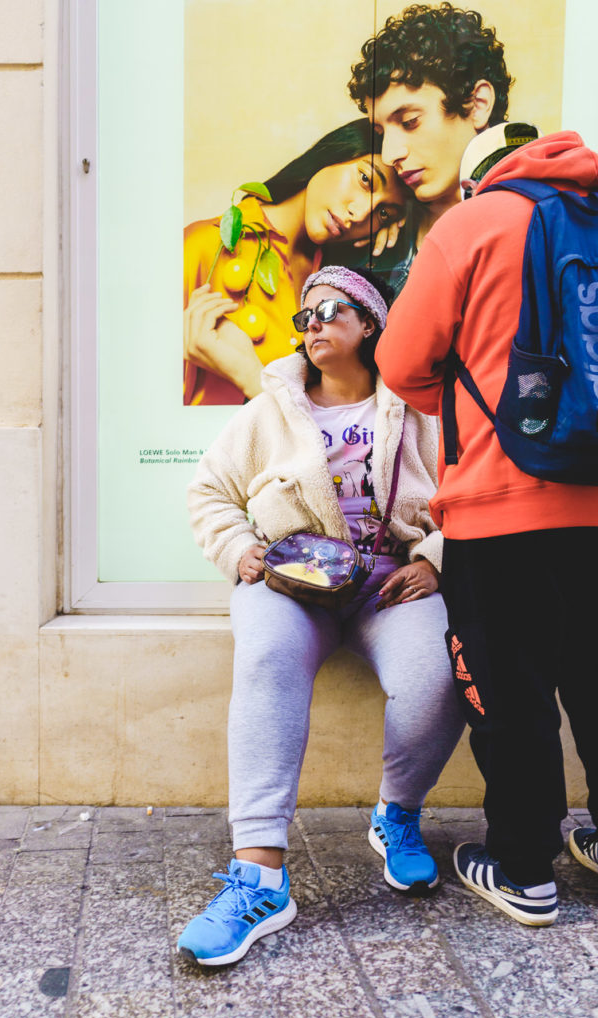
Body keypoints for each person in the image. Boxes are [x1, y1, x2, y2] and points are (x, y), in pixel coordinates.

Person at [177, 265, 465, 966]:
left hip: (387, 582)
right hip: (290, 580)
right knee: (269, 659)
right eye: (305, 312)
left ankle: (396, 815)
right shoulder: (269, 409)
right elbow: (208, 491)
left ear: (370, 325)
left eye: (331, 309)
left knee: (439, 674)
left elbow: (466, 488)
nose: (312, 322)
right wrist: (241, 549)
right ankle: (259, 877)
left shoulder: (421, 406)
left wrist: (432, 555)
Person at [375, 126, 598, 927]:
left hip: (501, 508)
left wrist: (474, 408)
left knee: (511, 691)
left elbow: (400, 362)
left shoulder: (471, 224)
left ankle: (524, 869)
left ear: (476, 180)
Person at [184, 118, 410, 405]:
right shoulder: (204, 246)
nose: (361, 213)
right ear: (334, 152)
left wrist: (404, 233)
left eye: (383, 214)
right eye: (365, 179)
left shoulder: (336, 282)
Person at [347, 2, 512, 291]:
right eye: (380, 132)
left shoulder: (536, 223)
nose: (390, 154)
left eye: (410, 121)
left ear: (478, 105)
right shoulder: (387, 240)